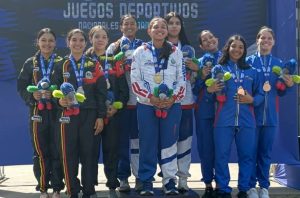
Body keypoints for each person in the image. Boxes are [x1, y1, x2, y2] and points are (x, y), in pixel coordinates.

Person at [131, 17, 186, 196]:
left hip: (172, 105)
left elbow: (182, 79)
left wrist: (173, 98)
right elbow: (135, 81)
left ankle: (169, 181)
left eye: (163, 27)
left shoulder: (176, 52)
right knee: (147, 142)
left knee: (169, 143)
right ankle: (146, 181)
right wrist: (150, 98)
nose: (160, 30)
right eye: (156, 27)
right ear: (149, 31)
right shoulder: (140, 52)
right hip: (147, 105)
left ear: (167, 31)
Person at [51, 28, 107, 198]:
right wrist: (58, 101)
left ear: (85, 42)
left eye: (81, 40)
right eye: (74, 40)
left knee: (89, 153)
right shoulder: (60, 64)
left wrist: (100, 116)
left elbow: (101, 93)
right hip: (67, 115)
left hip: (89, 115)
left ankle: (89, 190)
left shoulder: (93, 64)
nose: (77, 43)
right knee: (69, 154)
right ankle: (72, 190)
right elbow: (53, 87)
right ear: (68, 42)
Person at [207, 35, 264, 198]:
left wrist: (251, 99)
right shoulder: (218, 68)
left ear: (244, 51)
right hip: (223, 120)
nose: (237, 50)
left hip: (247, 121)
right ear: (227, 48)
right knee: (221, 156)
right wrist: (210, 91)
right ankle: (223, 189)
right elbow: (212, 95)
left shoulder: (252, 71)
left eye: (240, 47)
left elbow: (261, 94)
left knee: (247, 156)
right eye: (234, 46)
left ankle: (244, 188)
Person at [246, 26, 294, 198]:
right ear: (257, 40)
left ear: (273, 42)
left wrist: (287, 86)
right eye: (262, 38)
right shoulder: (249, 62)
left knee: (265, 153)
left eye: (269, 39)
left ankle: (264, 187)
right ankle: (250, 186)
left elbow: (281, 91)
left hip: (271, 116)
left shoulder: (279, 64)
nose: (265, 41)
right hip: (251, 117)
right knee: (250, 153)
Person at [17, 28, 64, 198]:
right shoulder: (30, 63)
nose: (47, 44)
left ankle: (58, 187)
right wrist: (32, 96)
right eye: (43, 40)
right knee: (40, 151)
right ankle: (43, 187)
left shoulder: (62, 62)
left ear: (55, 43)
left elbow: (67, 86)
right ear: (37, 42)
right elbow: (21, 86)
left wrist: (57, 94)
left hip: (57, 113)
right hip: (37, 114)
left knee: (58, 150)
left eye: (50, 40)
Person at [86, 25, 129, 191]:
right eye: (97, 36)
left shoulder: (114, 61)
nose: (100, 40)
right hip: (92, 114)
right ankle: (90, 184)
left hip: (112, 113)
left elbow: (123, 90)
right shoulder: (84, 60)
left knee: (112, 150)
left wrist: (116, 108)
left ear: (108, 40)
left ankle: (112, 182)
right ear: (91, 39)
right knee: (90, 150)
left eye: (103, 37)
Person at [107, 14, 143, 192]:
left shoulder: (145, 47)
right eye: (126, 24)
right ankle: (123, 178)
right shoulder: (113, 48)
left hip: (142, 102)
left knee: (138, 142)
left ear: (137, 27)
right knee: (122, 143)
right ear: (121, 27)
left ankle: (139, 176)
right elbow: (108, 77)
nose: (129, 26)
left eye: (132, 24)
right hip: (122, 103)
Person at [164, 11, 198, 192]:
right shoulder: (159, 47)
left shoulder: (189, 49)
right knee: (167, 141)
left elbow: (193, 78)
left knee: (184, 140)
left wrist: (196, 69)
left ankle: (183, 178)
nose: (174, 26)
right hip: (165, 101)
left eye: (178, 23)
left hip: (185, 101)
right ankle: (168, 179)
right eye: (171, 23)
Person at [193, 30, 222, 198]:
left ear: (216, 39)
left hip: (224, 110)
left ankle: (221, 182)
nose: (209, 41)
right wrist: (202, 77)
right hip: (204, 111)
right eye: (205, 40)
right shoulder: (199, 63)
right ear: (201, 46)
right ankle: (208, 183)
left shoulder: (227, 58)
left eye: (211, 37)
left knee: (221, 148)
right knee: (206, 148)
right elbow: (195, 89)